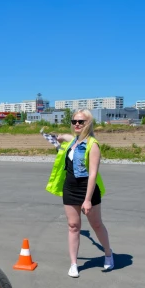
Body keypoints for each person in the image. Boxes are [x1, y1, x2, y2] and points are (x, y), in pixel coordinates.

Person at [45, 109, 113, 278]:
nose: (76, 124)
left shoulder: (93, 145)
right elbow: (65, 138)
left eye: (80, 122)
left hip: (87, 190)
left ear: (87, 124)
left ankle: (108, 254)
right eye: (74, 121)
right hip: (70, 189)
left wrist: (88, 200)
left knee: (96, 225)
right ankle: (74, 264)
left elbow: (93, 174)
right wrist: (57, 137)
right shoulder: (73, 141)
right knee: (73, 226)